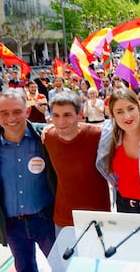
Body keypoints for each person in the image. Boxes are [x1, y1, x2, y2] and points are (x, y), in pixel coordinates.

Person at [0, 90, 56, 272]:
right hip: (13, 226)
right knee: (25, 268)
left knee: (63, 266)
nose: (11, 118)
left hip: (46, 220)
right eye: (4, 113)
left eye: (17, 111)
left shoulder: (45, 137)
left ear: (27, 111)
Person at [44, 92, 110, 231]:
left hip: (98, 219)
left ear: (79, 114)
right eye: (56, 115)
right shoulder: (48, 137)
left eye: (67, 115)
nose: (61, 121)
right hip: (63, 219)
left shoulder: (98, 135)